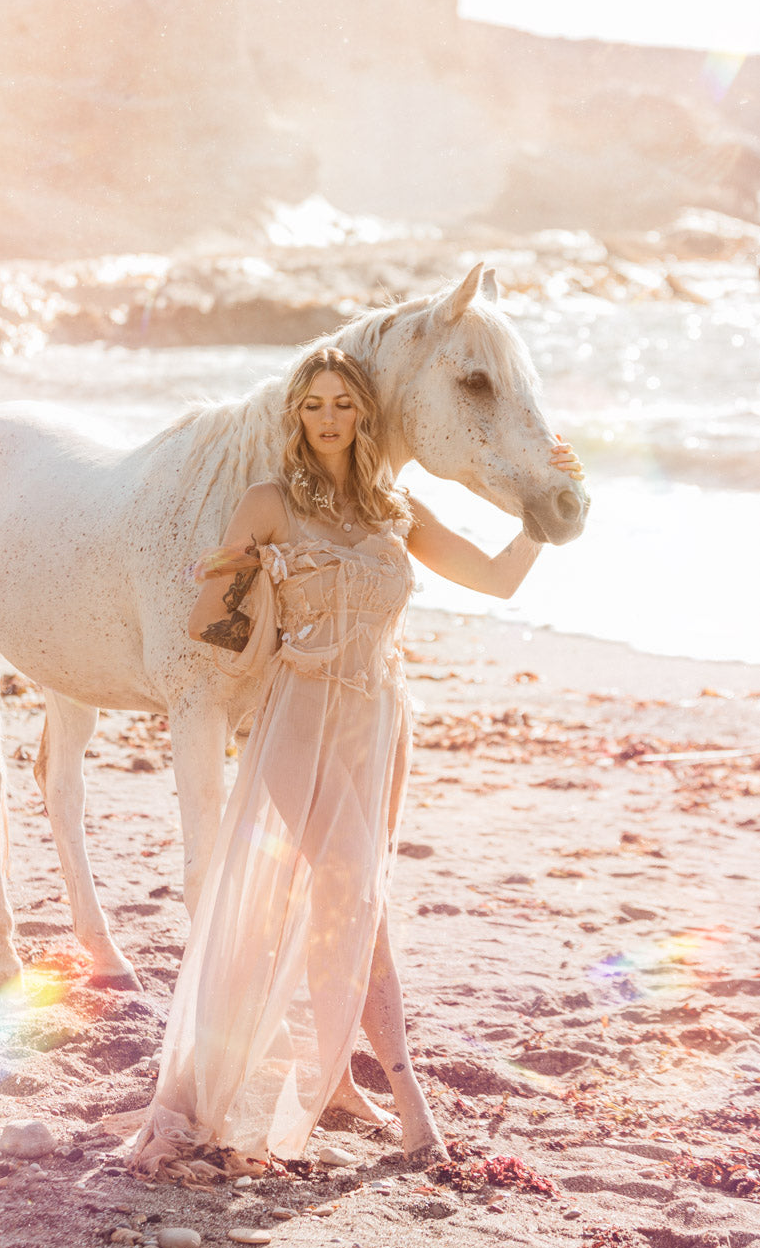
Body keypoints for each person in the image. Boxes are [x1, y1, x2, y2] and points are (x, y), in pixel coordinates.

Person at [126, 346, 584, 1182]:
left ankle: (338, 1076)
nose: (329, 419)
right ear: (296, 416)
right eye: (314, 406)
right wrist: (241, 580)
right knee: (352, 897)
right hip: (297, 717)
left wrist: (543, 516)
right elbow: (208, 628)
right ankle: (410, 1111)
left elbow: (495, 581)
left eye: (343, 404)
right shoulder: (264, 502)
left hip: (377, 722)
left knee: (357, 895)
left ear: (363, 416)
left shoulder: (392, 508)